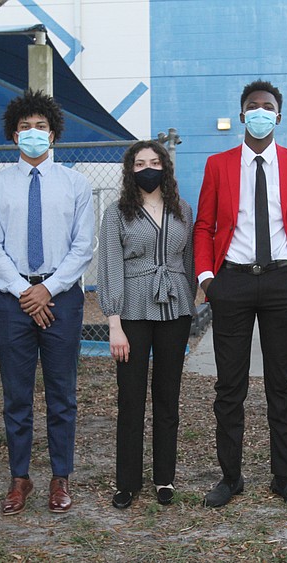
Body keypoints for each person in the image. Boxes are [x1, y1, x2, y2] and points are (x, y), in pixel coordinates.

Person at [194, 80, 287, 508]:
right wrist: (209, 278)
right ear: (242, 114)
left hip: (284, 282)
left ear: (278, 116)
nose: (260, 111)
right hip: (233, 282)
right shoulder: (219, 164)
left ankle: (285, 477)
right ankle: (230, 477)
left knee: (282, 386)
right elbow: (205, 225)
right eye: (252, 106)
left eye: (268, 106)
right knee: (230, 388)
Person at [0, 89, 94, 515]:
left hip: (61, 298)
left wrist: (48, 288)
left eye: (41, 127)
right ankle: (19, 478)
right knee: (17, 395)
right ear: (13, 135)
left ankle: (60, 476)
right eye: (25, 128)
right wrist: (25, 292)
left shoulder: (76, 184)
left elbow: (84, 247)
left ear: (54, 135)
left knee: (62, 394)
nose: (33, 133)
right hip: (13, 301)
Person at [97, 141, 196, 509]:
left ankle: (164, 479)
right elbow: (110, 266)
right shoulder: (117, 213)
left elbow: (188, 260)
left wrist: (189, 300)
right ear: (130, 170)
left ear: (165, 167)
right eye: (140, 163)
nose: (147, 168)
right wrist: (114, 323)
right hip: (132, 313)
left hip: (175, 310)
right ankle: (127, 482)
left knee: (168, 397)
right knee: (131, 398)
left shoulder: (182, 209)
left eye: (154, 162)